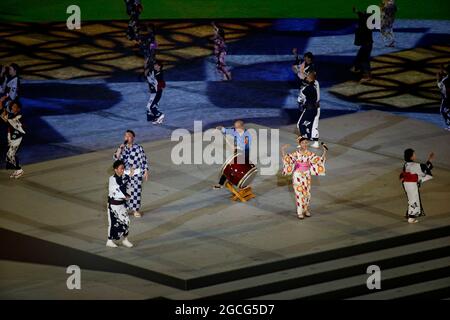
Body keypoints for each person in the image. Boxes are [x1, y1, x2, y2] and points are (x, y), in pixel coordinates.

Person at [281, 137, 326, 219]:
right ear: (299, 144)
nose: (305, 144)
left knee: (307, 193)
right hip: (297, 175)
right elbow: (287, 160)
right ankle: (299, 212)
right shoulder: (295, 154)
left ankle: (305, 209)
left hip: (307, 175)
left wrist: (325, 151)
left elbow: (319, 160)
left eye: (306, 142)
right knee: (299, 193)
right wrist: (283, 150)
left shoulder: (310, 154)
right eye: (303, 143)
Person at [113, 130, 149, 217]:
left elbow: (143, 160)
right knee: (125, 192)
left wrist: (146, 171)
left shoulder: (138, 148)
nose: (127, 138)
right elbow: (116, 158)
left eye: (129, 136)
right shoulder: (122, 149)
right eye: (125, 136)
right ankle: (124, 209)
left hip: (136, 173)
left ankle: (135, 210)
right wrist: (119, 150)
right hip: (125, 174)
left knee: (136, 192)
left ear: (133, 138)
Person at [213, 120, 252, 189]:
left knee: (242, 169)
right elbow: (225, 130)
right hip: (236, 151)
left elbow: (246, 146)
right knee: (229, 167)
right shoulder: (234, 130)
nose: (235, 129)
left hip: (244, 152)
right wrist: (220, 128)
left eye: (237, 127)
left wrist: (237, 147)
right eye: (235, 127)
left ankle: (245, 184)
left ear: (242, 127)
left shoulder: (247, 135)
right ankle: (220, 184)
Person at [400, 149, 434, 224]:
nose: (415, 155)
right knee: (414, 199)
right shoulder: (415, 165)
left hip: (406, 184)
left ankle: (409, 214)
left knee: (411, 199)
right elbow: (425, 168)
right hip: (411, 184)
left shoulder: (406, 164)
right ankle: (411, 218)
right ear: (411, 157)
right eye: (414, 154)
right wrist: (430, 160)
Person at [107, 160, 134, 248]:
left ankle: (125, 240)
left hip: (121, 205)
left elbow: (128, 187)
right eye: (121, 168)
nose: (122, 170)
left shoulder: (124, 177)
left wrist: (127, 194)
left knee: (126, 221)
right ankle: (109, 241)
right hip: (113, 206)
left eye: (123, 168)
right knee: (113, 223)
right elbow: (116, 189)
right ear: (115, 169)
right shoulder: (112, 179)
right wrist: (128, 177)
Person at [1, 101, 25, 178]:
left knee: (11, 154)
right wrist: (1, 103)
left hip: (17, 137)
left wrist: (4, 110)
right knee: (9, 155)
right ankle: (17, 169)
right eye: (12, 106)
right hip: (12, 137)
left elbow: (9, 119)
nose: (13, 108)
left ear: (18, 108)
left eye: (15, 107)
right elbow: (3, 116)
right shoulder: (11, 115)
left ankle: (19, 170)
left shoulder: (19, 116)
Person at [297, 71, 321, 148]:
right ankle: (314, 142)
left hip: (309, 108)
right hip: (316, 108)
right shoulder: (315, 84)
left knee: (300, 124)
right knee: (314, 125)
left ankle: (304, 140)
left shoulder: (306, 88)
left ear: (309, 78)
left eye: (307, 76)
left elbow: (300, 99)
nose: (306, 76)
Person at [351, 6, 373, 83]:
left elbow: (362, 17)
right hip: (367, 44)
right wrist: (357, 11)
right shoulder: (367, 21)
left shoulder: (364, 26)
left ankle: (367, 75)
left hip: (366, 44)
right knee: (360, 57)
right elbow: (362, 15)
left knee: (364, 60)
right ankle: (356, 68)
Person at [437, 65, 450, 131]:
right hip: (446, 98)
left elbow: (440, 85)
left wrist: (439, 78)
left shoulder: (445, 80)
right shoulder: (445, 79)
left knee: (443, 111)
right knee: (444, 111)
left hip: (446, 98)